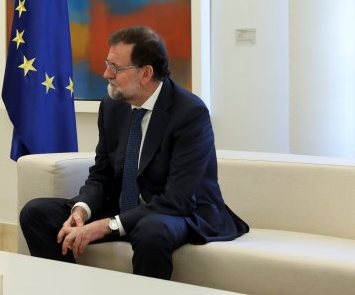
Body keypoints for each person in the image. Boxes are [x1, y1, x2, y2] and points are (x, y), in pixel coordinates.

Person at [19, 26, 249, 279]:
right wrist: (82, 210)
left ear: (146, 73)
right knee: (36, 213)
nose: (106, 74)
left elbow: (177, 199)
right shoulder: (112, 105)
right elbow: (102, 174)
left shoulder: (189, 113)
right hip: (125, 208)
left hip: (181, 212)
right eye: (108, 64)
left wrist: (107, 226)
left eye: (116, 68)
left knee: (151, 229)